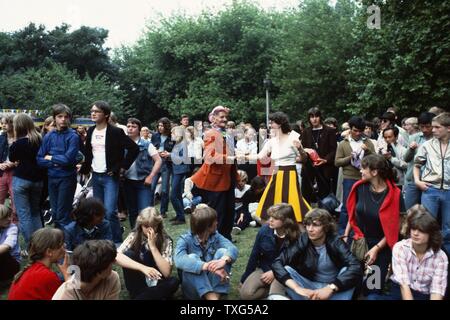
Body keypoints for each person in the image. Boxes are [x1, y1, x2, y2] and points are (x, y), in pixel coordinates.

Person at [344, 154, 404, 299]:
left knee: (372, 290)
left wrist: (376, 249)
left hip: (380, 248)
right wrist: (346, 236)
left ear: (374, 172)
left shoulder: (395, 194)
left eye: (363, 168)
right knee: (350, 286)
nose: (360, 171)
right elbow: (352, 215)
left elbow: (396, 228)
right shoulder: (359, 187)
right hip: (358, 242)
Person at [79, 101, 139, 244]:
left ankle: (117, 241)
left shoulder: (115, 132)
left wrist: (122, 167)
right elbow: (89, 153)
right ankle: (105, 239)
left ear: (106, 114)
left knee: (110, 211)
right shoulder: (91, 130)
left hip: (110, 176)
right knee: (99, 212)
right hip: (96, 175)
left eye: (97, 111)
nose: (93, 113)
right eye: (92, 111)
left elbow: (133, 149)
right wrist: (86, 168)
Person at [272, 208, 362, 300]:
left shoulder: (335, 241)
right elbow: (277, 263)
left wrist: (331, 287)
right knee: (287, 270)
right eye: (308, 225)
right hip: (310, 287)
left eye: (315, 225)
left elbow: (356, 266)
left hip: (333, 289)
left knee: (347, 271)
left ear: (326, 227)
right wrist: (297, 288)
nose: (310, 229)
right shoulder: (303, 239)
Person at [245, 112, 310, 223]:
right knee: (268, 204)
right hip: (276, 174)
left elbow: (304, 159)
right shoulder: (271, 142)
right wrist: (240, 156)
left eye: (272, 122)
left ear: (280, 123)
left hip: (290, 174)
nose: (270, 125)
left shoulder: (293, 138)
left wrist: (300, 149)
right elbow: (260, 156)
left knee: (294, 204)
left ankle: (298, 231)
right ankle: (276, 230)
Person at [190, 106, 238, 239]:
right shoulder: (211, 133)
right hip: (215, 182)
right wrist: (229, 158)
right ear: (214, 118)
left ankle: (225, 238)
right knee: (218, 214)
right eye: (221, 117)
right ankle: (214, 239)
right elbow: (210, 157)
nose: (225, 119)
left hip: (227, 180)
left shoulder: (226, 134)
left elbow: (231, 161)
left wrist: (237, 179)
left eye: (225, 117)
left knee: (229, 213)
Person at [174, 204, 238, 300]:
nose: (217, 223)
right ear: (207, 226)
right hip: (193, 289)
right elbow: (178, 260)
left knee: (223, 252)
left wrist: (224, 260)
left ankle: (216, 295)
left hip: (212, 283)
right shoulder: (185, 239)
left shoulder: (215, 236)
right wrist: (207, 266)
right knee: (192, 258)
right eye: (215, 221)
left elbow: (232, 248)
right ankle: (212, 298)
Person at [240, 203, 300, 300]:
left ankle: (281, 291)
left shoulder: (297, 236)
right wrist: (244, 278)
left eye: (275, 218)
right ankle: (270, 290)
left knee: (276, 296)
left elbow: (296, 263)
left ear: (286, 221)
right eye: (270, 216)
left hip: (285, 272)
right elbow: (254, 255)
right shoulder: (264, 230)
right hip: (265, 268)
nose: (270, 220)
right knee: (246, 295)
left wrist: (275, 273)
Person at [118, 207, 179, 300]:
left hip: (157, 280)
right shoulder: (134, 236)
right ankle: (153, 296)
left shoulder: (165, 240)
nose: (150, 230)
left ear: (158, 225)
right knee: (128, 254)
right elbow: (116, 256)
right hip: (138, 280)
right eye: (146, 227)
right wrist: (144, 268)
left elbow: (166, 273)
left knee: (174, 282)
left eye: (153, 226)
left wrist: (153, 247)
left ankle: (143, 297)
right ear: (141, 225)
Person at [389, 205, 448, 300]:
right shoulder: (400, 248)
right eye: (413, 229)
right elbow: (404, 285)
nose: (415, 233)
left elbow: (437, 290)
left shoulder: (441, 256)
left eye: (421, 230)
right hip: (400, 291)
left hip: (424, 294)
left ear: (430, 233)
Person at [37, 104, 81, 229]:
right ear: (54, 118)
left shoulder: (73, 136)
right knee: (55, 213)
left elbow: (68, 159)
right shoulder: (49, 136)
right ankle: (59, 241)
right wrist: (57, 161)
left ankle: (65, 242)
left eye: (66, 117)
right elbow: (39, 159)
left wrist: (51, 157)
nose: (63, 119)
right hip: (52, 177)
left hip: (67, 178)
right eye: (59, 116)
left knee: (63, 214)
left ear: (69, 119)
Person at [414, 112, 450, 253]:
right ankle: (427, 256)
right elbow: (417, 164)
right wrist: (418, 181)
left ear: (448, 128)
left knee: (448, 228)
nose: (433, 130)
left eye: (437, 127)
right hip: (430, 189)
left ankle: (446, 260)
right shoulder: (427, 145)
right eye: (432, 127)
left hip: (449, 190)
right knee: (427, 225)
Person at [9, 113, 45, 250]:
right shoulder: (40, 140)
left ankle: (32, 246)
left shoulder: (19, 143)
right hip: (38, 180)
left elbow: (12, 158)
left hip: (21, 180)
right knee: (35, 212)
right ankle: (43, 242)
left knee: (24, 215)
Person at [335, 116, 375, 235]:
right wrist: (350, 157)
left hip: (365, 179)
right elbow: (337, 162)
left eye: (360, 131)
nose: (357, 133)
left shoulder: (368, 142)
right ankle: (343, 234)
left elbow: (376, 159)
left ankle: (362, 232)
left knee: (365, 206)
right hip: (349, 178)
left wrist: (367, 151)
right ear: (350, 129)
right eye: (355, 130)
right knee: (347, 207)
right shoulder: (343, 143)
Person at [8, 228, 69, 300]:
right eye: (61, 245)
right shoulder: (47, 276)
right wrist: (66, 274)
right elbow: (71, 296)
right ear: (49, 252)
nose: (64, 247)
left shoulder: (33, 269)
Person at [123, 118, 162, 228]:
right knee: (132, 211)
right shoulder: (122, 143)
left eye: (133, 126)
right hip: (127, 181)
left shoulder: (146, 144)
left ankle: (147, 235)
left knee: (145, 211)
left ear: (139, 129)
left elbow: (158, 160)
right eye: (129, 126)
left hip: (143, 182)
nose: (130, 128)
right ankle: (135, 234)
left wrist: (151, 176)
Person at [52, 239, 120, 300]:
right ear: (99, 273)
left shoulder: (112, 278)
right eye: (110, 263)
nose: (113, 264)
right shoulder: (64, 296)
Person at [301, 107, 338, 203]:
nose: (314, 119)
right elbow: (302, 148)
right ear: (309, 118)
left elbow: (334, 150)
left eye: (316, 116)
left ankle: (324, 216)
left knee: (324, 196)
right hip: (309, 167)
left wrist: (325, 160)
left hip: (325, 167)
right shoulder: (306, 132)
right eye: (312, 117)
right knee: (307, 195)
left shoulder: (329, 131)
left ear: (320, 117)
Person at [403, 112, 435, 209]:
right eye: (422, 127)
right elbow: (406, 159)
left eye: (427, 126)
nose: (424, 129)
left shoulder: (437, 139)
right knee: (409, 211)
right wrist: (411, 149)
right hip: (413, 180)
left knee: (428, 214)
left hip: (431, 182)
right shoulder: (415, 137)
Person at [149, 117, 175, 218]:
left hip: (166, 164)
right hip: (156, 163)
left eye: (162, 125)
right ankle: (150, 210)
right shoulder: (155, 136)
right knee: (151, 188)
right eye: (159, 125)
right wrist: (156, 151)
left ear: (166, 126)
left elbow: (175, 151)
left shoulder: (172, 137)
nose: (160, 127)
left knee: (164, 189)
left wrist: (168, 153)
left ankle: (163, 211)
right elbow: (150, 148)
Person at [169, 126, 190, 225]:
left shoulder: (183, 144)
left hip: (180, 171)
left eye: (173, 133)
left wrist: (169, 155)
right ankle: (179, 215)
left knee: (173, 195)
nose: (171, 135)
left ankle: (181, 217)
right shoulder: (177, 144)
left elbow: (183, 159)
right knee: (177, 195)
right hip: (176, 170)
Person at [0, 114, 16, 221]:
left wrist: (14, 163)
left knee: (15, 200)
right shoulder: (1, 138)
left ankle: (14, 223)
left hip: (15, 172)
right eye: (2, 123)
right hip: (2, 172)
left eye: (6, 123)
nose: (3, 126)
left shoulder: (19, 138)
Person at [0, 205, 20, 285]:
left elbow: (7, 245)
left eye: (9, 215)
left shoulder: (12, 228)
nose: (9, 219)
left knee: (2, 253)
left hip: (11, 264)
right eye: (5, 217)